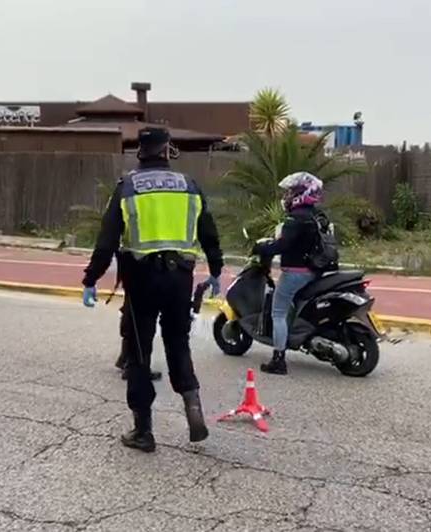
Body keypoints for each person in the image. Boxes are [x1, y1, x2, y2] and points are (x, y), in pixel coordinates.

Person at [82, 127, 222, 453]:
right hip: (179, 279)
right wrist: (215, 270)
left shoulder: (128, 187)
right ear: (167, 150)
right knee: (178, 344)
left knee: (139, 354)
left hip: (141, 280)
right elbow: (209, 234)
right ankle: (193, 409)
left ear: (140, 153)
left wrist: (91, 279)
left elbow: (106, 242)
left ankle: (143, 432)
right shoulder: (189, 186)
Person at [253, 172, 328, 376]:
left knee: (278, 312)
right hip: (313, 271)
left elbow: (282, 245)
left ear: (303, 194)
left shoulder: (295, 219)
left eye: (292, 192)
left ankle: (278, 359)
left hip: (295, 273)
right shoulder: (316, 216)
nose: (287, 196)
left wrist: (262, 249)